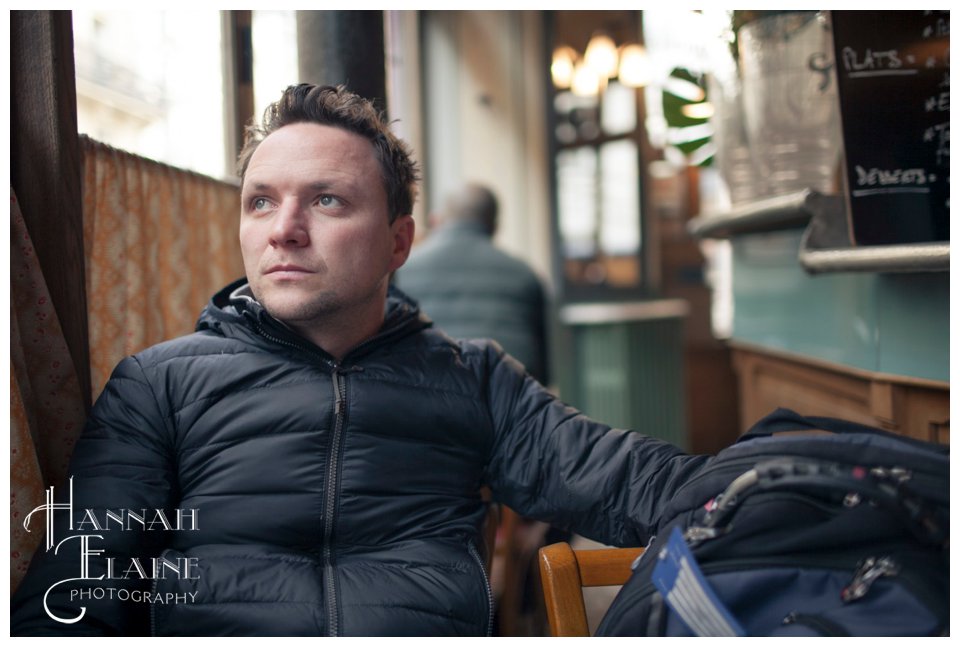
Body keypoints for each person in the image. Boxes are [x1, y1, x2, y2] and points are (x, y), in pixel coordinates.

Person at [11, 84, 708, 637]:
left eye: (326, 199)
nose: (283, 229)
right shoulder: (155, 386)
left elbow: (633, 484)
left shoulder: (474, 379)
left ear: (398, 243)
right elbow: (77, 593)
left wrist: (784, 479)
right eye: (261, 201)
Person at [396, 183, 549, 384]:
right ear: (495, 226)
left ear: (436, 220)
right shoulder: (525, 275)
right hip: (510, 398)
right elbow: (543, 364)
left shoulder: (403, 270)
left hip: (429, 394)